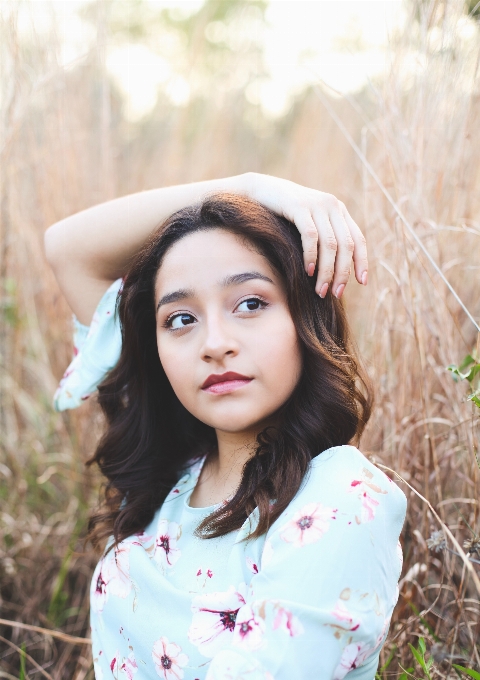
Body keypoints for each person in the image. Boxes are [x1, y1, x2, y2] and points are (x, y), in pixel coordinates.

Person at [44, 173, 406, 680]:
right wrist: (249, 185)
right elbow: (66, 249)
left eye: (251, 304)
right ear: (157, 348)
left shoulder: (339, 498)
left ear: (306, 318)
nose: (214, 343)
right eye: (180, 319)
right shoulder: (167, 479)